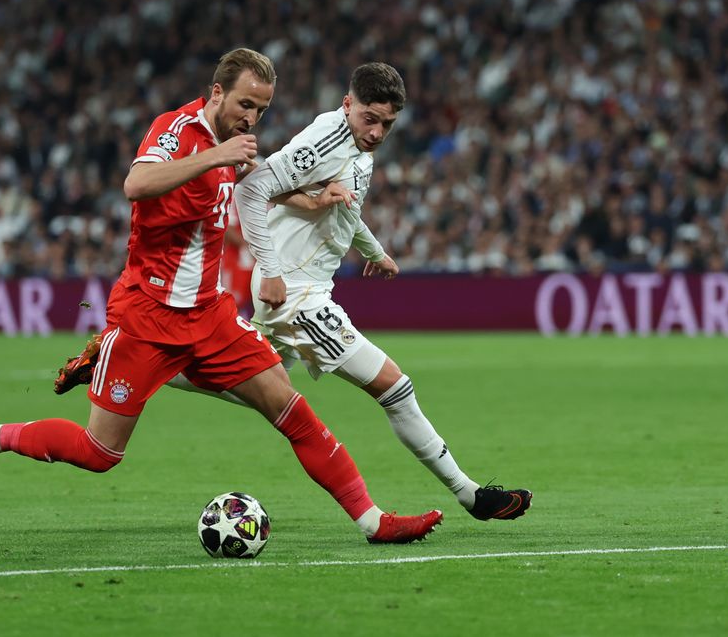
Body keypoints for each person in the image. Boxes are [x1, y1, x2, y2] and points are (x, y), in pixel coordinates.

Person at [0, 48, 443, 545]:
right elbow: (135, 184)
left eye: (261, 110)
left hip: (209, 314)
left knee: (291, 408)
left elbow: (253, 180)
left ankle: (373, 521)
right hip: (147, 315)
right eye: (245, 104)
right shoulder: (177, 131)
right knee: (100, 453)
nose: (251, 118)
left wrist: (309, 198)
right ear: (218, 92)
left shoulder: (234, 145)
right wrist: (215, 156)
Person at [55, 62, 531, 523]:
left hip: (304, 289)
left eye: (388, 124)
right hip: (297, 297)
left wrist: (374, 249)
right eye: (370, 119)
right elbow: (253, 189)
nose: (378, 132)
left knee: (268, 390)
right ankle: (469, 496)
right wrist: (273, 270)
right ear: (348, 104)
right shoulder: (325, 139)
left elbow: (341, 211)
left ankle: (119, 363)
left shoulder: (360, 148)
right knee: (394, 387)